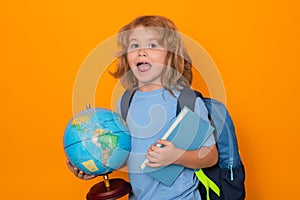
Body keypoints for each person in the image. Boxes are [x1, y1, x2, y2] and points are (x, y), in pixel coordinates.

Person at [67, 15, 218, 200]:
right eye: (134, 46)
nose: (142, 52)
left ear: (171, 56)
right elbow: (124, 153)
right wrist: (95, 165)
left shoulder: (187, 101)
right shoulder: (126, 101)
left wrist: (176, 157)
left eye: (153, 45)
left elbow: (210, 156)